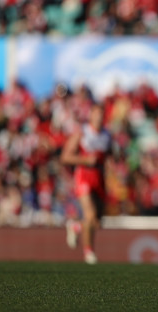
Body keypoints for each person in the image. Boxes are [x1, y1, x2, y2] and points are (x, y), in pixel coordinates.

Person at [61, 103, 111, 265]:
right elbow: (65, 156)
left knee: (96, 220)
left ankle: (75, 227)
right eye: (96, 114)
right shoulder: (82, 133)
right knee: (89, 215)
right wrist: (84, 160)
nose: (99, 117)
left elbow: (107, 157)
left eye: (101, 114)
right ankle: (89, 252)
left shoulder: (106, 135)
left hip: (99, 178)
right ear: (91, 115)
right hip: (84, 176)